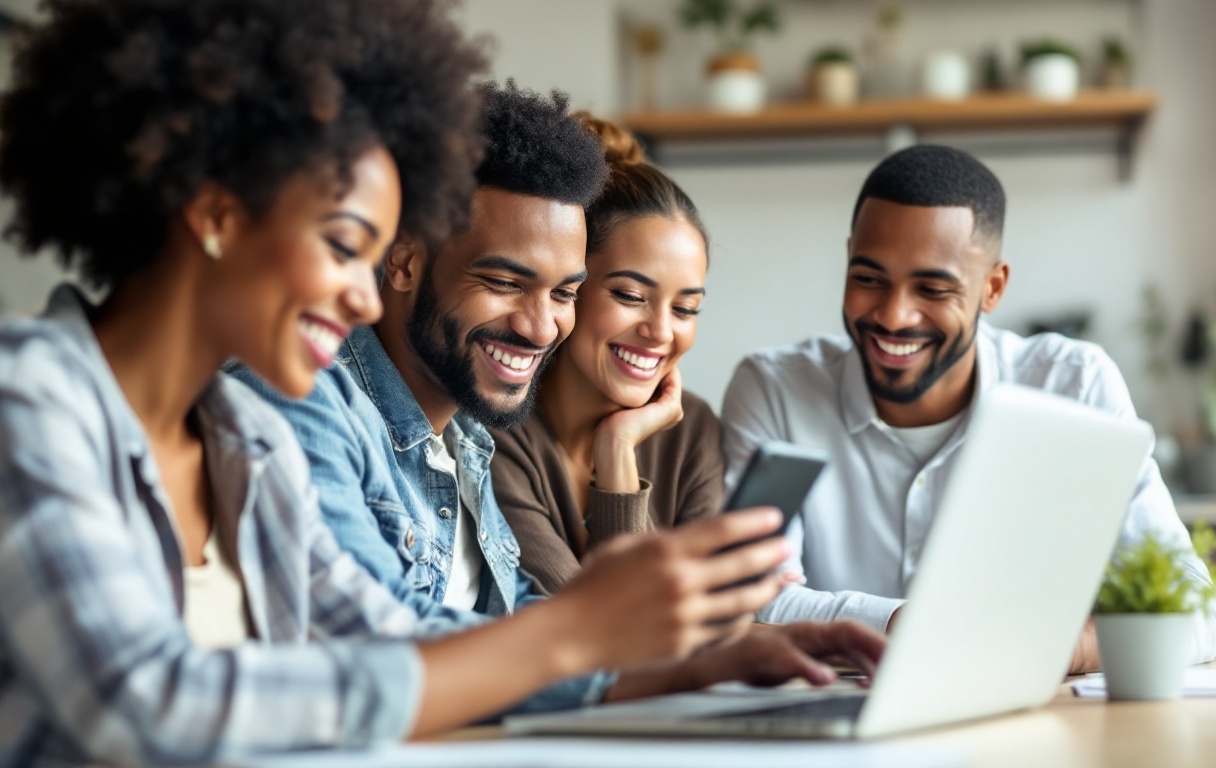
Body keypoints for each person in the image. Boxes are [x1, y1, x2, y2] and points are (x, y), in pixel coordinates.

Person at [0, 3, 872, 765]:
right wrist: (574, 631)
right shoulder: (29, 401)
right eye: (347, 246)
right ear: (219, 213)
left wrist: (695, 666)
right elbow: (144, 705)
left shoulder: (240, 434)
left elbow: (397, 649)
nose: (363, 288)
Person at [229, 80, 883, 718]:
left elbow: (520, 638)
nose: (542, 326)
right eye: (505, 281)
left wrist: (727, 655)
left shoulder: (465, 439)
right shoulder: (306, 401)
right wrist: (618, 629)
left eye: (565, 293)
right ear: (403, 262)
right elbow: (380, 655)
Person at [719, 144, 1216, 668]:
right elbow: (744, 600)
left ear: (993, 287)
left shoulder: (1074, 386)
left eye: (933, 288)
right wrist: (906, 627)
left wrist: (1059, 649)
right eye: (869, 279)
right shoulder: (774, 390)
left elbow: (1197, 611)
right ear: (848, 258)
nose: (894, 316)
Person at [488, 115, 720, 594]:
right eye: (631, 296)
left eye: (685, 308)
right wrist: (616, 450)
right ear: (571, 288)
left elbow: (720, 615)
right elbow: (603, 635)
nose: (659, 331)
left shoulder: (691, 428)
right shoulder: (497, 430)